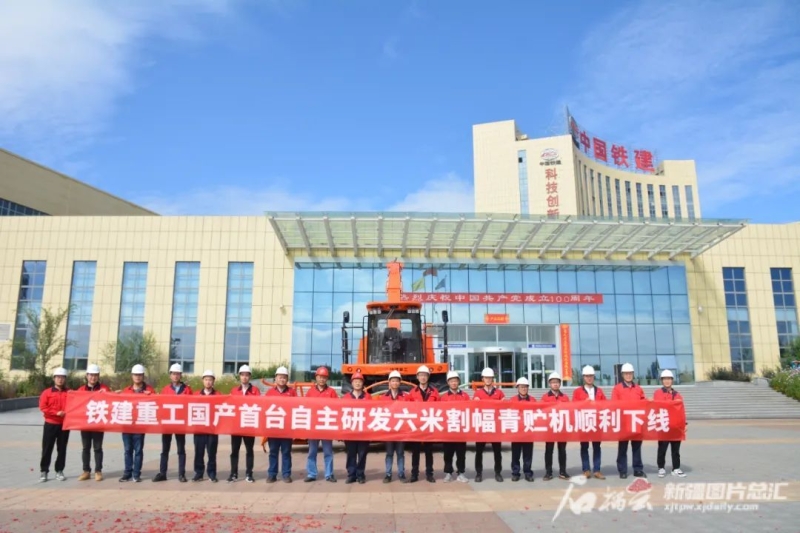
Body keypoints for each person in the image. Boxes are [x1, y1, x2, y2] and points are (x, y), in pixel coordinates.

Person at [154, 363, 193, 483]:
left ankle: (181, 474)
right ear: (170, 375)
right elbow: (160, 405)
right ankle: (162, 473)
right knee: (165, 449)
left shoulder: (187, 390)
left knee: (181, 450)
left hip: (180, 423)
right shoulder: (165, 389)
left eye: (177, 374)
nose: (175, 376)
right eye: (173, 374)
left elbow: (192, 405)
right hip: (167, 424)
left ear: (181, 375)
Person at [120, 364, 155, 483]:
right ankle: (127, 473)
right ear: (132, 376)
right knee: (127, 450)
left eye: (140, 375)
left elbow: (156, 403)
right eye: (135, 375)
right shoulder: (126, 391)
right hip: (127, 425)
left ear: (143, 376)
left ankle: (136, 474)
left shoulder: (149, 390)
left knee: (138, 450)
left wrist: (151, 396)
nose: (137, 377)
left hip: (140, 425)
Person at [572, 365, 607, 480]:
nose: (589, 378)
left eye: (591, 376)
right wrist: (584, 402)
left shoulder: (599, 391)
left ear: (594, 377)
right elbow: (574, 406)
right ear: (583, 377)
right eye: (587, 376)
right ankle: (586, 469)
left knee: (597, 447)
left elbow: (605, 404)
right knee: (584, 447)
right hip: (584, 423)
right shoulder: (578, 391)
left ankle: (597, 470)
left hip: (596, 423)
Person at [612, 362, 646, 479]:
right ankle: (622, 470)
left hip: (636, 422)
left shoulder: (638, 388)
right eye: (626, 373)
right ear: (622, 375)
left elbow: (643, 403)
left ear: (633, 374)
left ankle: (638, 469)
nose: (628, 375)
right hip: (624, 422)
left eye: (630, 373)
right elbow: (614, 405)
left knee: (637, 447)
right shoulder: (617, 389)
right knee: (623, 447)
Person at [305, 366, 339, 483]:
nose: (322, 379)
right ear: (316, 377)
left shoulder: (331, 392)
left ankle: (329, 474)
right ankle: (311, 474)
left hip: (326, 426)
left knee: (328, 452)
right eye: (320, 377)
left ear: (327, 379)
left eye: (324, 377)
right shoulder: (310, 392)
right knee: (312, 452)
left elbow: (337, 408)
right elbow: (305, 407)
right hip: (313, 427)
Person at [76, 364, 110, 481]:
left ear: (98, 376)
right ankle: (86, 471)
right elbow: (75, 403)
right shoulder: (81, 390)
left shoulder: (104, 389)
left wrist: (106, 394)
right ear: (87, 376)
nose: (93, 377)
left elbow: (110, 401)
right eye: (91, 375)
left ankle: (98, 471)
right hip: (85, 423)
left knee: (97, 448)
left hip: (98, 423)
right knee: (86, 448)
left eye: (95, 375)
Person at [408, 365, 440, 483]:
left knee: (429, 452)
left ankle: (429, 474)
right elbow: (407, 409)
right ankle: (414, 474)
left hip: (429, 426)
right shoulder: (412, 392)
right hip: (416, 427)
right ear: (417, 377)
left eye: (425, 375)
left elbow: (440, 408)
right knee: (415, 452)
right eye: (421, 375)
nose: (423, 377)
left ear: (428, 377)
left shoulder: (434, 392)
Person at [229, 364, 260, 483]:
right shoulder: (234, 390)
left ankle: (249, 474)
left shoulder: (255, 390)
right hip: (236, 426)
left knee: (249, 450)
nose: (244, 377)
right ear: (239, 376)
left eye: (247, 375)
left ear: (250, 376)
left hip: (249, 424)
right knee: (234, 450)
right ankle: (233, 473)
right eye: (242, 375)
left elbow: (259, 405)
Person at [38, 367, 70, 482]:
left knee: (62, 449)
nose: (60, 379)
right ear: (54, 378)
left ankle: (59, 470)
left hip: (64, 425)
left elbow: (79, 400)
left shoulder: (70, 393)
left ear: (65, 379)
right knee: (47, 448)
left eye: (62, 377)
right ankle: (44, 471)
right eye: (58, 377)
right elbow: (43, 407)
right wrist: (56, 413)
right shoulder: (47, 393)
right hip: (50, 424)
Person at [473, 367, 505, 483]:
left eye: (490, 378)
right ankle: (478, 473)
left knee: (497, 452)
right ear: (482, 379)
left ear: (493, 379)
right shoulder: (478, 393)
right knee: (479, 452)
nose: (488, 379)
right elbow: (474, 408)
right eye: (486, 378)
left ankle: (498, 472)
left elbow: (504, 406)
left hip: (495, 426)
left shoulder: (499, 393)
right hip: (482, 426)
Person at [265, 366, 296, 483]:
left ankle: (286, 474)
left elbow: (296, 408)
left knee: (286, 452)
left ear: (287, 379)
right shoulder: (270, 393)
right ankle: (272, 474)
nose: (282, 379)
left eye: (284, 377)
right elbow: (264, 408)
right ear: (276, 378)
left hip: (287, 428)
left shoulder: (292, 392)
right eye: (280, 377)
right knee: (273, 452)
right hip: (273, 428)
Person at [654, 370, 687, 478]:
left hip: (675, 427)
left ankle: (676, 468)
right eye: (665, 379)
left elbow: (681, 410)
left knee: (676, 449)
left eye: (669, 379)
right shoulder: (658, 393)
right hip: (663, 426)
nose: (667, 381)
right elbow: (659, 406)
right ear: (662, 381)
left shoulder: (677, 395)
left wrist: (684, 424)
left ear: (672, 380)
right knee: (662, 448)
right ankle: (661, 468)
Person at [380, 370, 409, 483]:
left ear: (400, 382)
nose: (395, 383)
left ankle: (401, 474)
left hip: (401, 430)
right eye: (393, 381)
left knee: (400, 453)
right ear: (389, 382)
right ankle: (388, 474)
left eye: (397, 381)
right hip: (389, 431)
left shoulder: (405, 397)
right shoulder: (384, 397)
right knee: (389, 453)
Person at [440, 371, 470, 483]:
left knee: (461, 454)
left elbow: (469, 411)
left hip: (461, 431)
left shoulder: (465, 396)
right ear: (448, 382)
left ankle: (461, 473)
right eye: (451, 381)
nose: (453, 383)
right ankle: (448, 473)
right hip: (448, 431)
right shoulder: (443, 397)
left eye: (455, 381)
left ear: (458, 382)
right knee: (448, 453)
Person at [541, 372, 570, 481]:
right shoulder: (545, 397)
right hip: (550, 428)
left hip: (562, 427)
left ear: (560, 383)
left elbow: (569, 411)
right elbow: (542, 412)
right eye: (553, 382)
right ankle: (548, 472)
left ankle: (563, 471)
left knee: (562, 450)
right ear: (549, 384)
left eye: (557, 382)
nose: (555, 384)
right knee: (549, 450)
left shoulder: (565, 397)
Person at [343, 372, 371, 484]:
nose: (358, 383)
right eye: (355, 381)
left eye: (359, 381)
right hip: (350, 431)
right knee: (351, 453)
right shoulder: (346, 397)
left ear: (363, 383)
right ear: (352, 383)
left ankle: (360, 474)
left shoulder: (368, 397)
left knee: (362, 454)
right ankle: (351, 474)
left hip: (364, 432)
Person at [193, 369, 220, 483]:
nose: (208, 382)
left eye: (210, 380)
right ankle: (199, 473)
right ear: (202, 381)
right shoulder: (196, 395)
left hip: (212, 429)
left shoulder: (218, 395)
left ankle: (212, 473)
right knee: (199, 452)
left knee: (212, 453)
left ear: (213, 381)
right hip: (199, 428)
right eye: (206, 379)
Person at [510, 377, 535, 482]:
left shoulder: (533, 400)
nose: (524, 389)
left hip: (528, 431)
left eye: (525, 387)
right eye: (521, 387)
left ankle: (528, 472)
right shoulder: (512, 400)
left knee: (528, 454)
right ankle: (515, 473)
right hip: (516, 432)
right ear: (518, 388)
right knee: (515, 454)